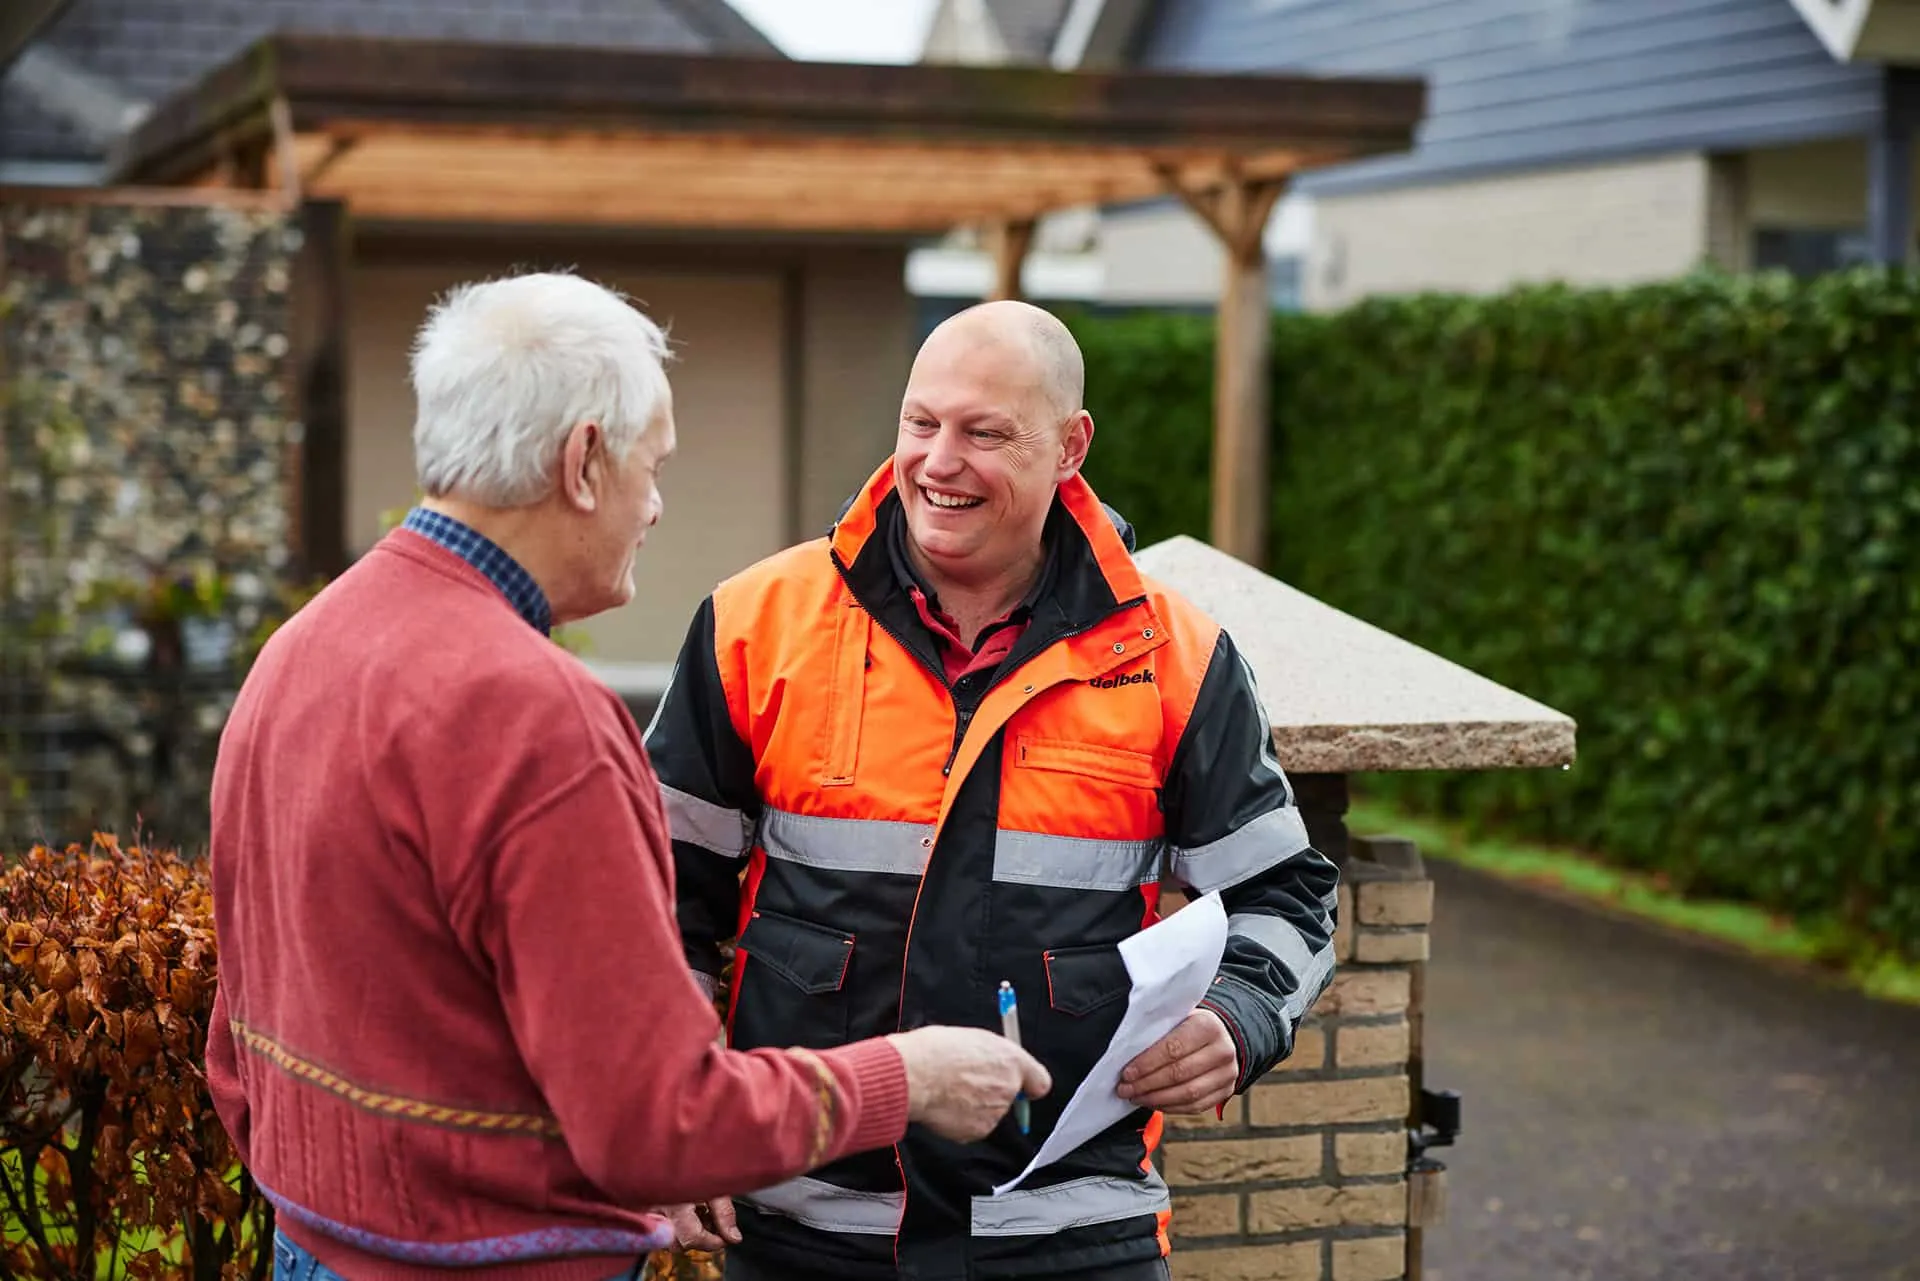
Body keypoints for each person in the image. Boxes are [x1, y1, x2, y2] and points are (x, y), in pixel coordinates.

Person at [204, 272, 1050, 1281]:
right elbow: (656, 1128)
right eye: (653, 468)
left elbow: (238, 1044)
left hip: (312, 1246)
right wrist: (904, 1077)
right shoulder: (536, 716)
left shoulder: (301, 649)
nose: (654, 508)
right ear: (584, 463)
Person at [645, 300, 1340, 1281]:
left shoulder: (1174, 657)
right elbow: (655, 898)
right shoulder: (757, 625)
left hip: (1069, 1237)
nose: (937, 461)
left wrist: (1239, 1016)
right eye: (920, 423)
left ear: (1071, 446)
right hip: (796, 1229)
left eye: (985, 433)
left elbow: (1288, 894)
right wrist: (671, 1121)